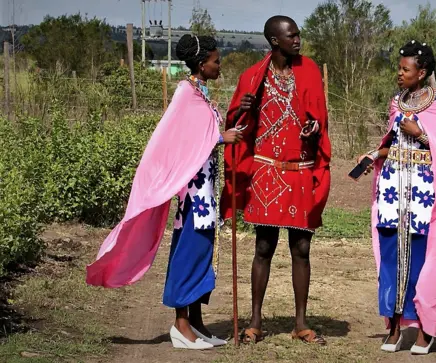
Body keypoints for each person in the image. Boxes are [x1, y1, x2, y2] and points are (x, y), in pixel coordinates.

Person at [86, 34, 242, 350]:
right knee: (189, 253)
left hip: (205, 190)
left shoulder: (201, 93)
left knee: (201, 253)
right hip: (193, 196)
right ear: (202, 64)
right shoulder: (186, 94)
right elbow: (180, 141)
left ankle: (196, 325)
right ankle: (180, 326)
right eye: (216, 61)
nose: (219, 65)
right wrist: (220, 138)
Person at [221, 15, 331, 345]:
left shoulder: (309, 70)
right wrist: (244, 108)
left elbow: (319, 117)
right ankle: (254, 322)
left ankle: (300, 323)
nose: (297, 40)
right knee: (264, 247)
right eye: (291, 36)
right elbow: (237, 126)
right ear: (274, 40)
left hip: (300, 170)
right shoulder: (253, 76)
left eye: (298, 35)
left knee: (301, 248)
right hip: (266, 171)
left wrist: (314, 128)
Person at [357, 40, 436, 355]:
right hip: (392, 191)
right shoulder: (396, 103)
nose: (400, 73)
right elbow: (391, 142)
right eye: (399, 68)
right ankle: (396, 326)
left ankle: (426, 330)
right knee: (390, 259)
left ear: (422, 71)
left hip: (423, 196)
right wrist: (373, 154)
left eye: (406, 69)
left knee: (420, 261)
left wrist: (421, 134)